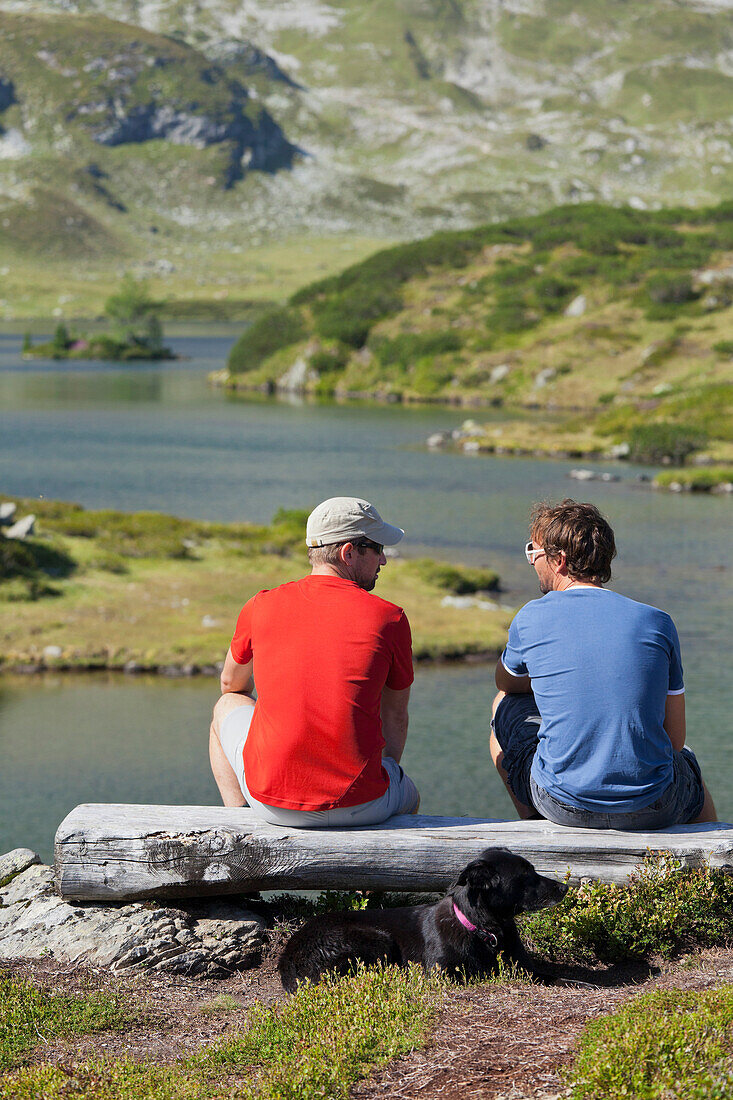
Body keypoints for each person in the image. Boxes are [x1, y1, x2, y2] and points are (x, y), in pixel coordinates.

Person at [490, 499, 716, 829]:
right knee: (687, 764)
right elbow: (675, 740)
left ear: (559, 560)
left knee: (502, 705)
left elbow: (505, 683)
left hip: (563, 805)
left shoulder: (530, 616)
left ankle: (537, 821)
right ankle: (713, 867)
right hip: (655, 804)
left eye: (533, 551)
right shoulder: (658, 622)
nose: (531, 561)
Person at [209, 496, 420, 826]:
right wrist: (385, 770)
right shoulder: (390, 618)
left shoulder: (260, 605)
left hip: (269, 805)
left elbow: (230, 685)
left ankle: (240, 825)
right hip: (364, 806)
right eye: (378, 549)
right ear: (348, 552)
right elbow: (395, 714)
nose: (383, 561)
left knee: (226, 706)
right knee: (411, 793)